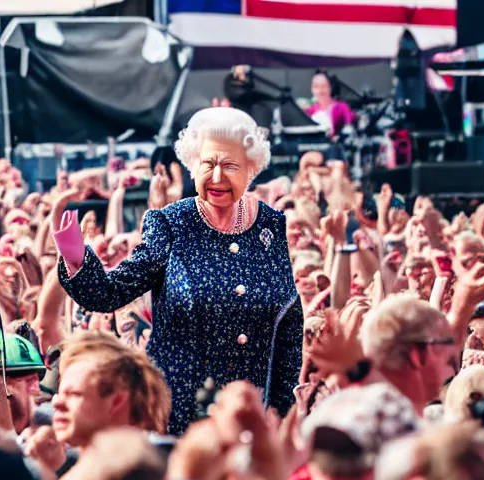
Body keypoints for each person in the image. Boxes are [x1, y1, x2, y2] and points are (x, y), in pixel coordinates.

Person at [52, 107, 304, 434]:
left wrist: (280, 409)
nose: (216, 177)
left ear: (251, 169)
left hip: (251, 418)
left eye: (229, 166)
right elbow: (110, 293)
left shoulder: (271, 225)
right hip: (182, 418)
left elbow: (288, 320)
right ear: (193, 165)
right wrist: (76, 259)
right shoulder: (172, 223)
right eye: (208, 164)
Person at [305, 70, 355, 138]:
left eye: (324, 86)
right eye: (316, 86)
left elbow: (349, 127)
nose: (320, 90)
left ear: (331, 87)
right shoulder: (309, 111)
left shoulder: (342, 107)